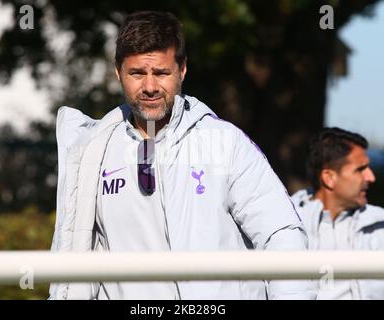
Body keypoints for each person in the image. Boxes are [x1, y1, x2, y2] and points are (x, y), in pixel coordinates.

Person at [49, 10, 315, 300]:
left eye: (162, 73)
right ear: (118, 72)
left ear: (182, 70)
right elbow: (76, 272)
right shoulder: (91, 152)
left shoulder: (224, 143)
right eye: (137, 73)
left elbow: (280, 234)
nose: (150, 87)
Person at [291, 127, 384, 299]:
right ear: (329, 178)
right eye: (360, 169)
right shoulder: (285, 227)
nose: (371, 177)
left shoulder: (380, 225)